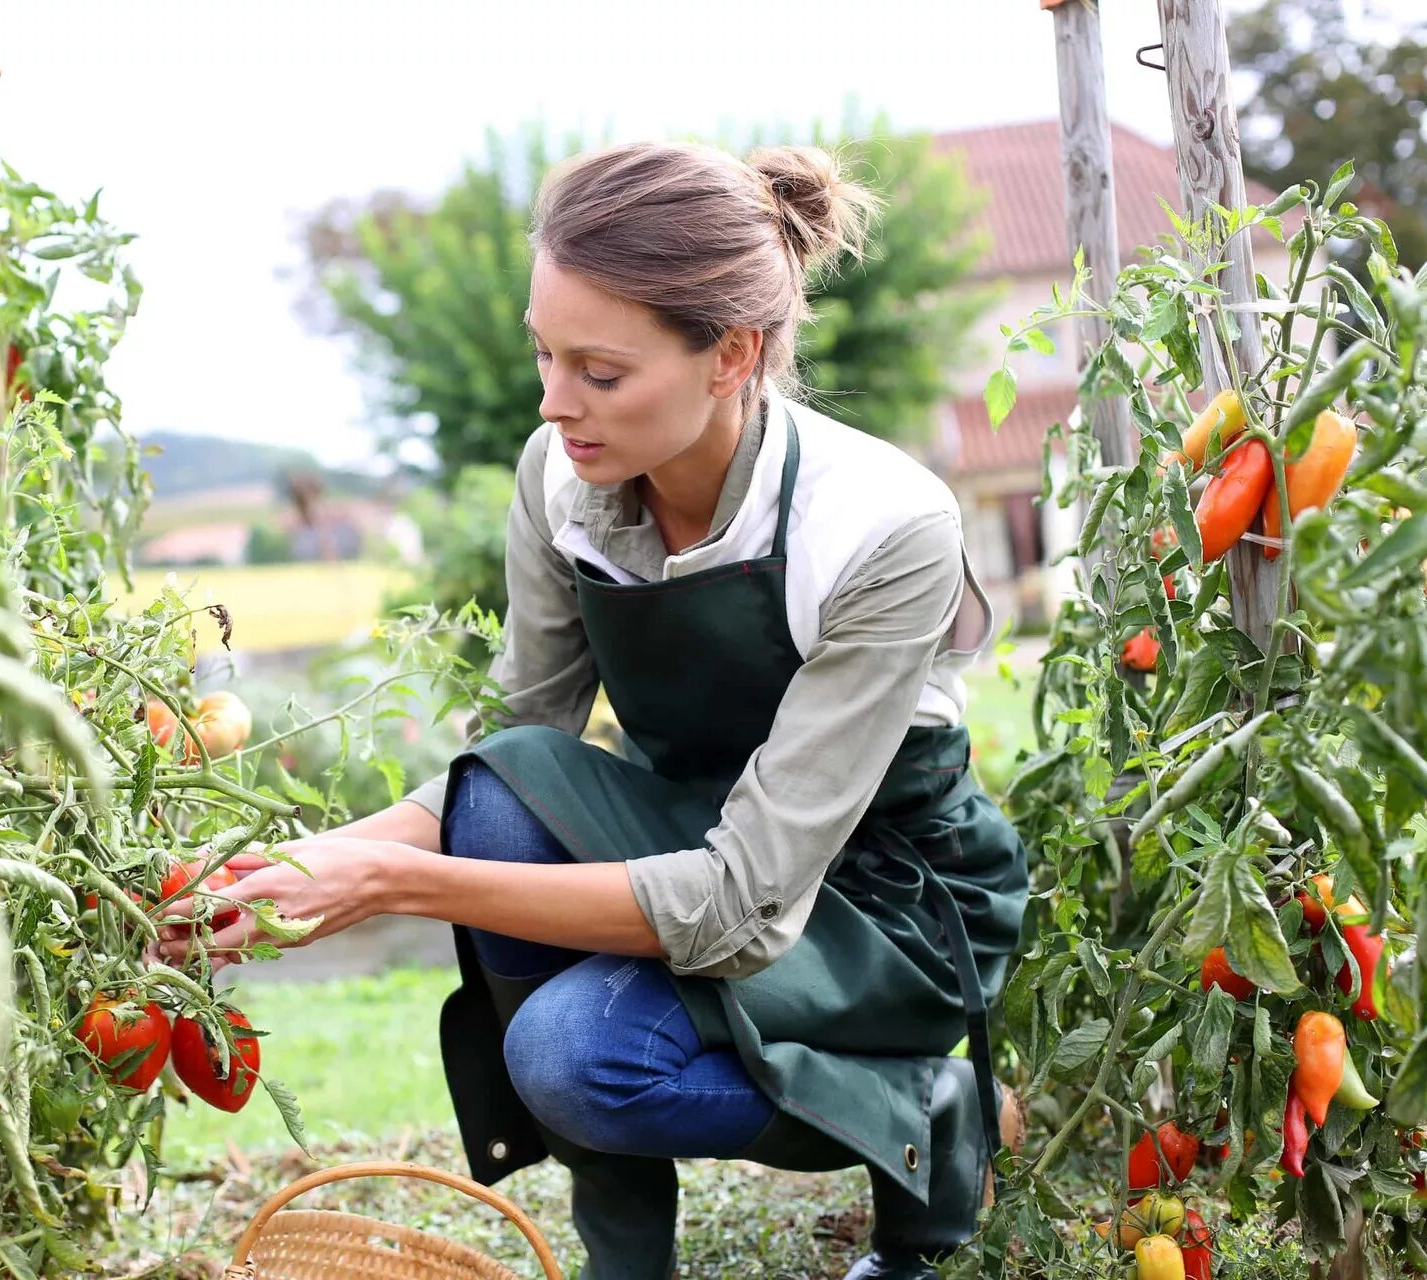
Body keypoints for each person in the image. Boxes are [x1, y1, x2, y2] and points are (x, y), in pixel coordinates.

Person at [158, 139, 1030, 1280]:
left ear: (733, 354)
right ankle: (628, 1261)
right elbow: (522, 760)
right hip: (691, 824)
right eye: (543, 354)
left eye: (600, 373)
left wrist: (393, 886)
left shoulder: (880, 526)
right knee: (509, 781)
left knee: (569, 1056)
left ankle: (928, 1105)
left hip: (880, 897)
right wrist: (288, 865)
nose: (552, 401)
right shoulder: (560, 479)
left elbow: (743, 902)